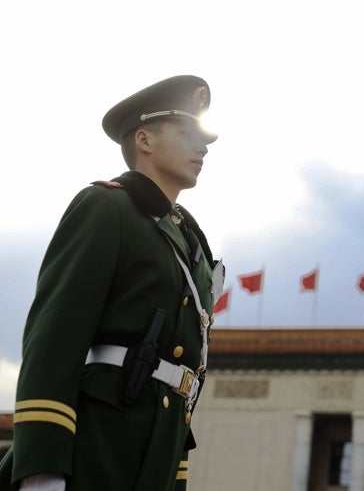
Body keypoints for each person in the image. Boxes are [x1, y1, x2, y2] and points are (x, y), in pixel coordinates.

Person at [0, 75, 224, 491]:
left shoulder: (188, 239)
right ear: (144, 139)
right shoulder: (106, 207)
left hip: (154, 451)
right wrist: (43, 470)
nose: (204, 147)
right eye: (188, 133)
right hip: (98, 445)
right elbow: (54, 339)